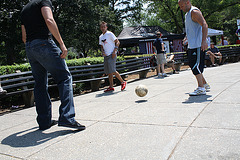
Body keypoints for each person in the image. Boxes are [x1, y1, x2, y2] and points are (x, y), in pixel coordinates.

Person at [21, 0, 85, 130]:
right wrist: (61, 44)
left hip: (30, 47)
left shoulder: (25, 9)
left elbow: (24, 36)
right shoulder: (43, 1)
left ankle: (44, 121)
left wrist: (34, 48)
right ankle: (67, 117)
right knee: (65, 78)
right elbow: (49, 20)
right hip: (44, 43)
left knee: (40, 84)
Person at [178, 0, 210, 96]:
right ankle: (204, 84)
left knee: (196, 66)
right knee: (193, 65)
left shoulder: (194, 12)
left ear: (187, 2)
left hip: (198, 45)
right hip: (192, 45)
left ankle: (201, 88)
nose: (181, 8)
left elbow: (204, 25)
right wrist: (187, 37)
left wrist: (204, 41)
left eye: (182, 6)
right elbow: (191, 29)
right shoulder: (187, 14)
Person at [99, 21, 127, 92]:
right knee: (109, 72)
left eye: (104, 27)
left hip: (112, 54)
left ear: (106, 27)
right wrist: (103, 52)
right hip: (106, 55)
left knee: (113, 70)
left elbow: (117, 42)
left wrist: (115, 51)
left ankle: (123, 82)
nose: (103, 28)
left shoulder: (110, 34)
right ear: (100, 28)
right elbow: (102, 46)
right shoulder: (101, 37)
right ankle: (111, 86)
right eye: (101, 27)